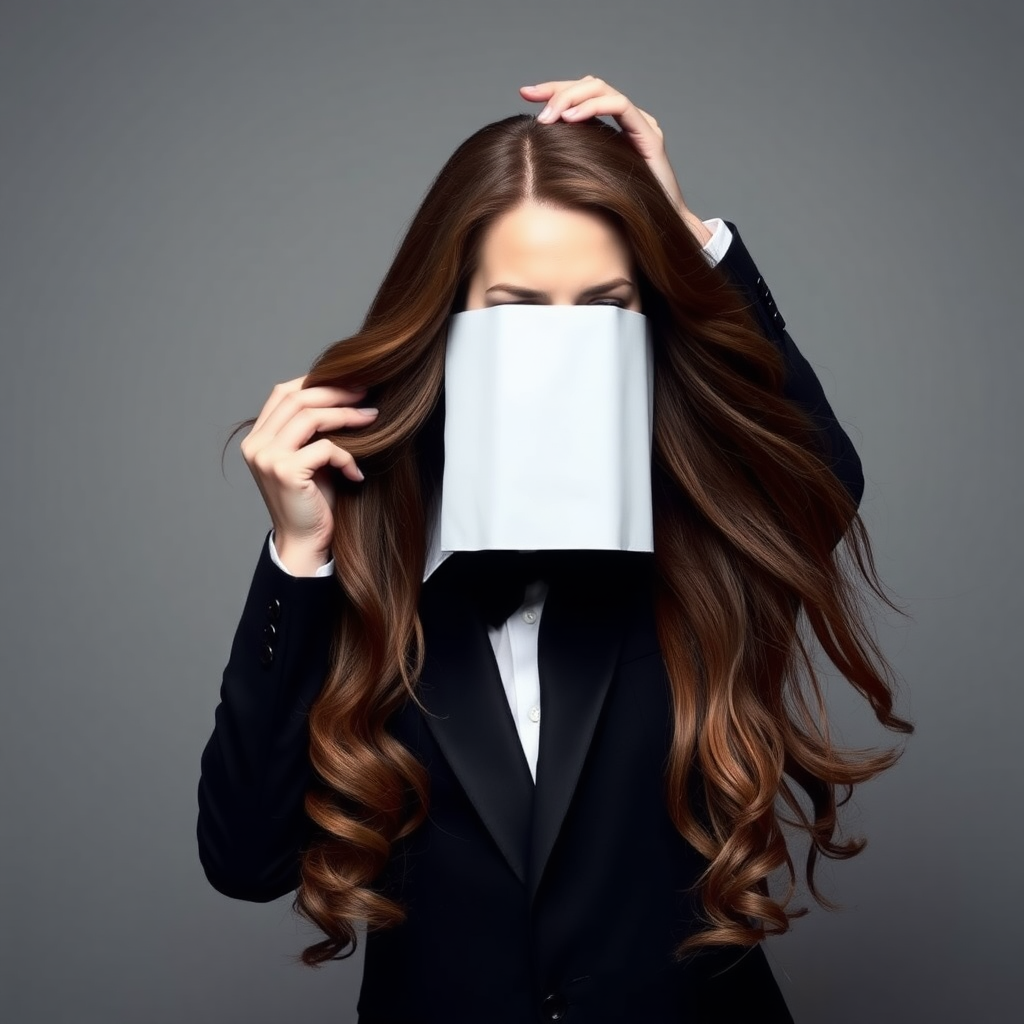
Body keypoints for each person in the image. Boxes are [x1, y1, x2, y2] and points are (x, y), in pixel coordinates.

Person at [197, 77, 913, 1024]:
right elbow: (247, 860)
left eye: (604, 304)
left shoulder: (700, 526)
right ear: (448, 316)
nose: (564, 343)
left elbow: (821, 481)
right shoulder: (360, 540)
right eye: (520, 305)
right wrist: (296, 555)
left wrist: (694, 234)